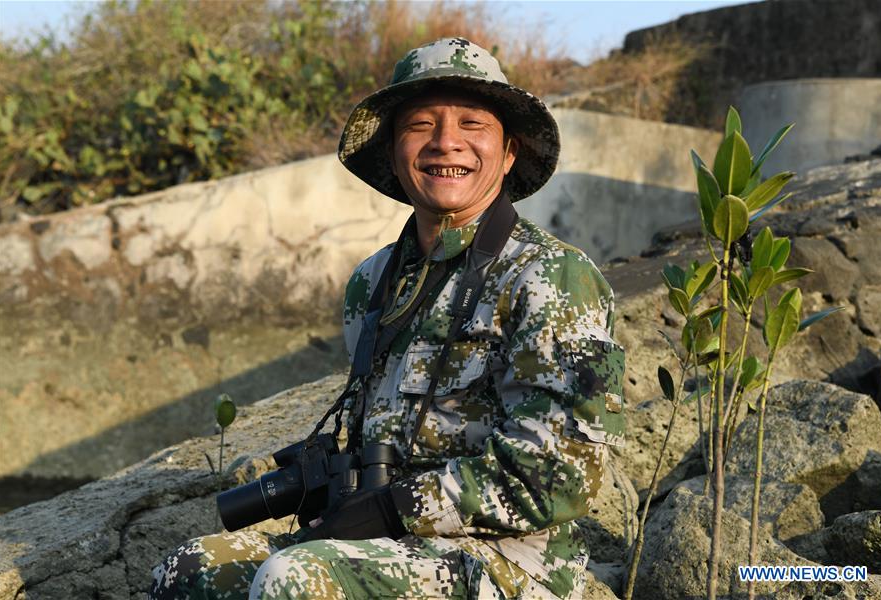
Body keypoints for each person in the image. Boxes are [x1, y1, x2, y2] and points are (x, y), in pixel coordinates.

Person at [149, 37, 625, 600]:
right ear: (395, 153)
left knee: (293, 578)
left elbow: (562, 474)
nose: (445, 142)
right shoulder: (373, 281)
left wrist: (395, 508)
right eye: (420, 125)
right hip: (386, 541)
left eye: (472, 124)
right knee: (189, 569)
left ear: (508, 152)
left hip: (510, 560)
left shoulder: (551, 274)